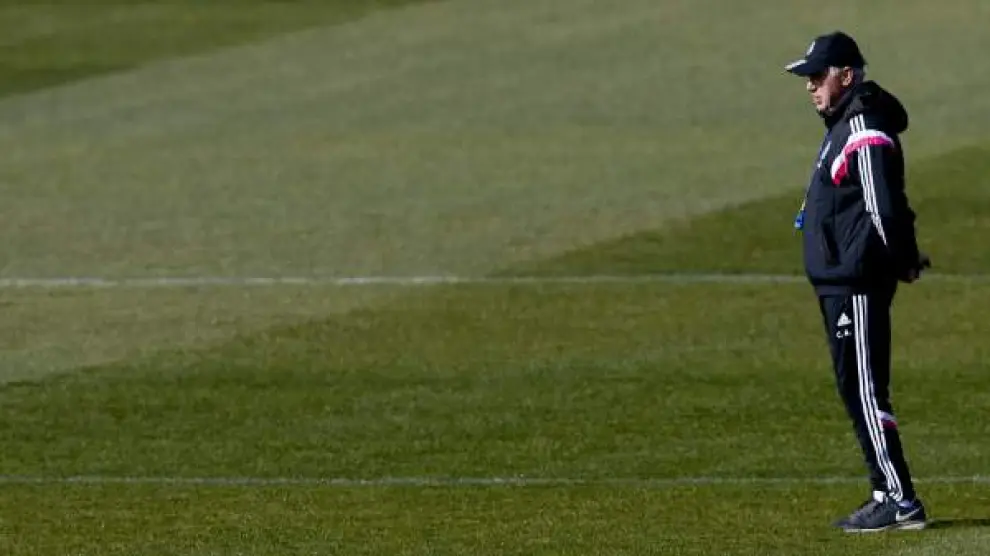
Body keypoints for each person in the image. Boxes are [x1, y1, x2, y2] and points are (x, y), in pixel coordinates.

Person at [784, 31, 931, 532]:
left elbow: (883, 206)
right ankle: (885, 492)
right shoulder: (844, 124)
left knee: (866, 390)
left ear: (846, 76)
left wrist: (901, 259)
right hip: (841, 280)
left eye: (817, 76)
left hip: (857, 283)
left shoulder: (863, 127)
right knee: (857, 389)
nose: (810, 86)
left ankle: (900, 499)